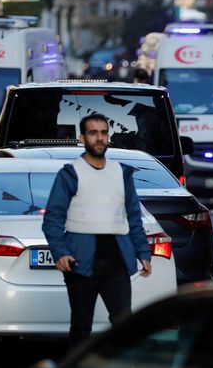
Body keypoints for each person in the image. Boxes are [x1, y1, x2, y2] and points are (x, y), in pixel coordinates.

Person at [42, 113, 152, 349]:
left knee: (124, 325)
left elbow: (133, 216)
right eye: (93, 133)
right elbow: (53, 217)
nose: (99, 138)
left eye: (103, 132)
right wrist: (60, 252)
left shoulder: (122, 173)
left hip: (117, 262)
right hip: (81, 262)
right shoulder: (70, 173)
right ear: (82, 138)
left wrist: (143, 252)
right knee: (81, 328)